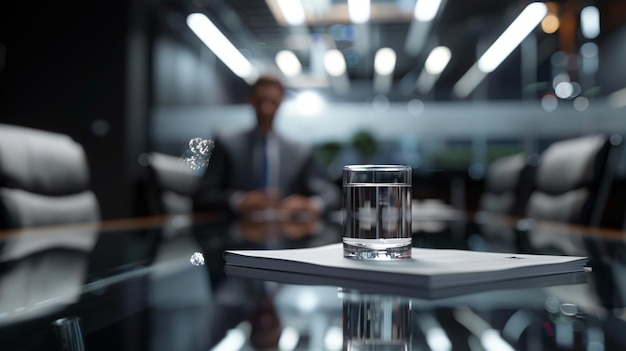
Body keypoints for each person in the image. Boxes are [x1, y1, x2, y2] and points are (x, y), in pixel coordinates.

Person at [193, 74, 341, 220]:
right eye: (261, 101)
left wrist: (312, 204)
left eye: (273, 102)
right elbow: (203, 196)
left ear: (281, 102)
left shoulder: (300, 150)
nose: (266, 109)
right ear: (251, 101)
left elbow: (331, 194)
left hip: (289, 233)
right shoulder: (227, 143)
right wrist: (239, 200)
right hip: (236, 231)